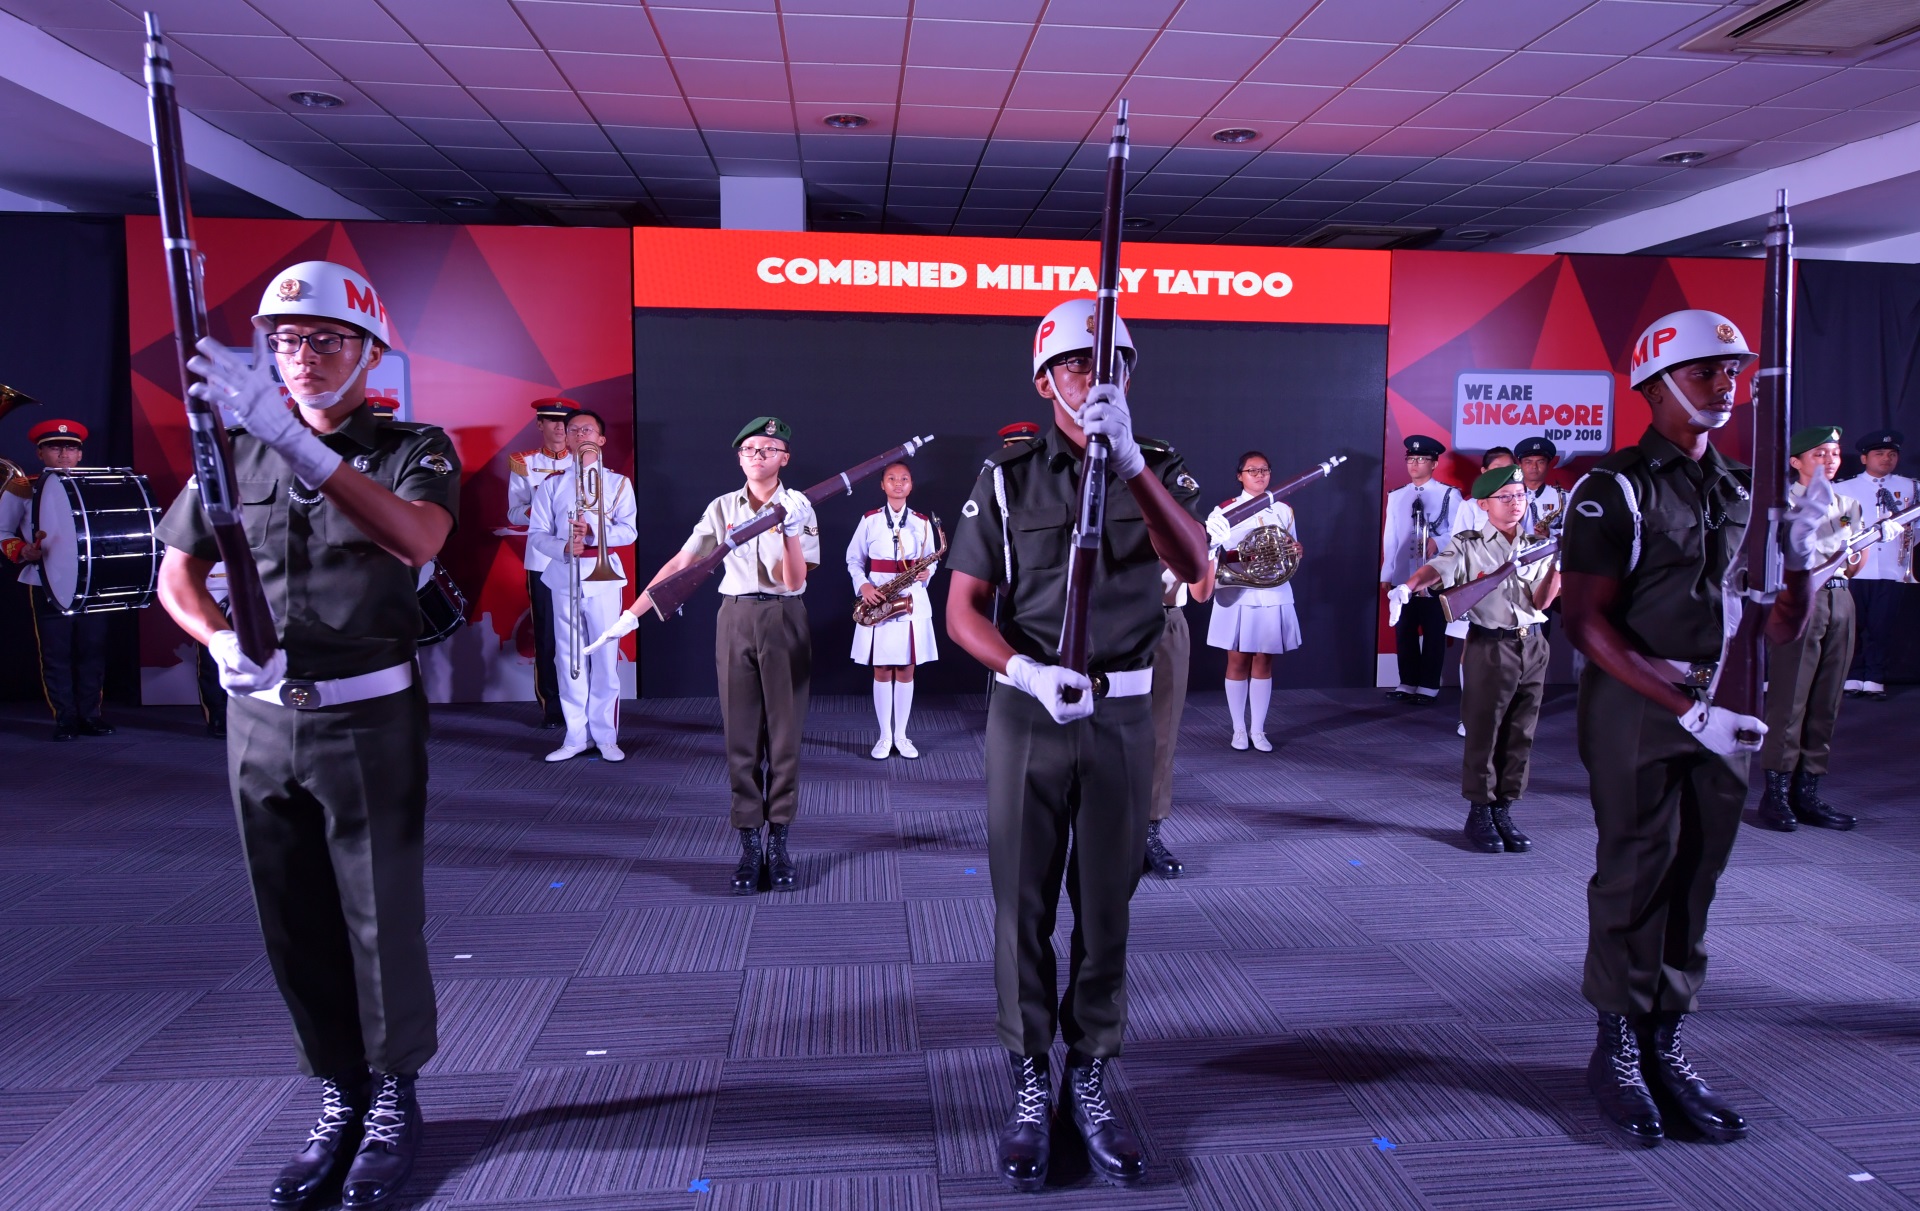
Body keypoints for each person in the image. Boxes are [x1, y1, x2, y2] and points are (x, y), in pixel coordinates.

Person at [153, 260, 457, 1209]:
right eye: (284, 340)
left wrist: (296, 440)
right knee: (290, 916)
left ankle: (394, 1094)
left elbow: (418, 539)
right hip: (260, 722)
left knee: (379, 913)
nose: (302, 357)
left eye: (325, 339)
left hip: (368, 716)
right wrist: (214, 641)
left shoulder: (411, 447)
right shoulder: (233, 451)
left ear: (369, 352)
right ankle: (339, 1090)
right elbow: (176, 575)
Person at [945, 298, 1207, 1192]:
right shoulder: (1009, 474)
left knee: (1107, 909)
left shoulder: (1158, 466)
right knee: (1021, 903)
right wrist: (1021, 670)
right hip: (1029, 712)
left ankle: (1089, 1072)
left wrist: (1130, 464)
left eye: (1112, 364)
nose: (1096, 379)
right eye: (1076, 364)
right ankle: (1029, 1075)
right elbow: (961, 609)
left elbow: (1196, 567)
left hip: (1122, 716)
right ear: (1044, 380)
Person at [1560, 308, 1821, 1148]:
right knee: (1637, 871)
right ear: (1657, 383)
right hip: (1641, 703)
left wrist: (1803, 564)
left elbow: (1777, 626)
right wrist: (1687, 709)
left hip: (1726, 703)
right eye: (1707, 370)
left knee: (1698, 873)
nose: (1725, 385)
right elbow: (1585, 622)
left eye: (1733, 371)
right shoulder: (1614, 487)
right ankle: (1616, 1049)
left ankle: (1665, 1043)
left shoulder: (1744, 487)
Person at [588, 416, 817, 895]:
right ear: (739, 457)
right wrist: (633, 614)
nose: (758, 456)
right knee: (740, 736)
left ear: (785, 458)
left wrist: (791, 530)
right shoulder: (722, 507)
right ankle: (749, 843)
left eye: (768, 448)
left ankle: (779, 842)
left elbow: (795, 580)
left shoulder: (799, 506)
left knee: (784, 739)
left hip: (784, 617)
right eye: (749, 449)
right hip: (734, 617)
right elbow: (682, 563)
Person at [1391, 465, 1561, 853]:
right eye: (1506, 497)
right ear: (1483, 504)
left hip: (1533, 645)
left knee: (1521, 733)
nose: (1516, 503)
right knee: (1484, 731)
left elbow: (1541, 602)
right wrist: (1408, 587)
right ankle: (1480, 811)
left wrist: (1558, 567)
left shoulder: (1538, 544)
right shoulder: (1468, 544)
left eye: (1520, 496)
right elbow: (1438, 568)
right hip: (1490, 646)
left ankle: (1504, 809)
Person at [1756, 426, 1872, 831]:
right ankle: (1775, 794)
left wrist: (1859, 547)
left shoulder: (1848, 505)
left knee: (1827, 700)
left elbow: (1853, 564)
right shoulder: (1782, 504)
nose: (1830, 460)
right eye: (1819, 453)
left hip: (1841, 599)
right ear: (1796, 461)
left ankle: (1807, 792)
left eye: (1835, 453)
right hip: (1800, 600)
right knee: (1789, 699)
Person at [529, 409, 634, 763]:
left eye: (587, 429)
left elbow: (629, 531)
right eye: (573, 430)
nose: (579, 434)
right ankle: (575, 736)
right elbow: (536, 534)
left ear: (600, 439)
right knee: (568, 659)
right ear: (567, 439)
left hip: (603, 579)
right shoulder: (551, 485)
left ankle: (605, 737)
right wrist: (563, 547)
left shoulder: (619, 484)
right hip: (564, 575)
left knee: (604, 658)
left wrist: (593, 534)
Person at [0, 419, 114, 740]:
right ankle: (66, 718)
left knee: (93, 648)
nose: (64, 454)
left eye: (71, 448)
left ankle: (90, 715)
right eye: (54, 447)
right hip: (46, 579)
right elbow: (2, 531)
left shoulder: (99, 484)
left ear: (80, 454)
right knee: (56, 651)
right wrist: (23, 551)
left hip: (91, 580)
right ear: (40, 453)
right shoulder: (24, 487)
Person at [1203, 451, 1303, 750]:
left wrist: (1296, 551)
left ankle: (1258, 729)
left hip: (1273, 592)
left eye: (1264, 470)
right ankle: (1238, 729)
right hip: (1238, 591)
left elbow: (1289, 550)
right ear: (1240, 476)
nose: (1260, 475)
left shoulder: (1283, 509)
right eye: (1252, 470)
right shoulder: (1224, 510)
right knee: (1237, 659)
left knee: (1264, 659)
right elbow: (1209, 550)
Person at [846, 459, 939, 759]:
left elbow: (931, 558)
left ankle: (902, 735)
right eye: (891, 478)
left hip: (911, 600)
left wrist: (928, 572)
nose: (898, 483)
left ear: (911, 485)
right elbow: (853, 559)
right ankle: (884, 736)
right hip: (879, 600)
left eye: (904, 479)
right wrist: (864, 586)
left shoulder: (923, 522)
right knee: (882, 669)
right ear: (882, 485)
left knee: (907, 669)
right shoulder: (870, 520)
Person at [506, 398, 576, 729]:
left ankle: (582, 700)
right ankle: (552, 703)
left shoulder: (584, 460)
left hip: (581, 557)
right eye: (552, 421)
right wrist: (545, 508)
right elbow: (513, 512)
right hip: (543, 560)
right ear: (540, 424)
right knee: (547, 635)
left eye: (565, 422)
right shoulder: (524, 463)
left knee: (579, 633)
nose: (560, 427)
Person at [1833, 429, 1914, 701]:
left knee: (1883, 627)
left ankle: (1875, 677)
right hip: (1856, 568)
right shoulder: (1843, 488)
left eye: (1892, 454)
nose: (1886, 459)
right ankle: (1854, 675)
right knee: (1853, 626)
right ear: (1864, 458)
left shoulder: (1911, 487)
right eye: (1879, 454)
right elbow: (1839, 523)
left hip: (1892, 567)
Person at [1380, 434, 1457, 704]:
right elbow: (1391, 538)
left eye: (1421, 459)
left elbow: (1459, 533)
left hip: (1436, 575)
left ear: (1434, 463)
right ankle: (1407, 682)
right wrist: (1387, 573)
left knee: (1434, 631)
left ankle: (1429, 686)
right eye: (1411, 459)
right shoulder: (1397, 495)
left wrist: (1439, 541)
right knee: (1405, 630)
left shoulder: (1449, 494)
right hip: (1404, 574)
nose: (1414, 464)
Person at [1147, 549, 1207, 878]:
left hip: (1169, 619)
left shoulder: (1192, 522)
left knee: (1163, 731)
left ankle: (1148, 832)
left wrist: (1205, 551)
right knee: (1102, 730)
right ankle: (1099, 832)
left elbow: (1201, 593)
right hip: (1113, 619)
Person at [1447, 446, 1516, 737]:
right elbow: (1457, 548)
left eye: (1510, 470)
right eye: (1497, 470)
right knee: (1474, 651)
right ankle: (1470, 716)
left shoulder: (1520, 502)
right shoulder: (1470, 507)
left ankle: (1502, 715)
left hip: (1512, 592)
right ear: (1484, 472)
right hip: (1477, 589)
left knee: (1509, 654)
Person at [1515, 435, 1570, 541]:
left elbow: (1573, 531)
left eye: (1540, 462)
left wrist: (1550, 534)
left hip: (1551, 550)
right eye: (1528, 462)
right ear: (1520, 465)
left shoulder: (1564, 497)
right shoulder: (1507, 496)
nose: (1534, 466)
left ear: (1548, 466)